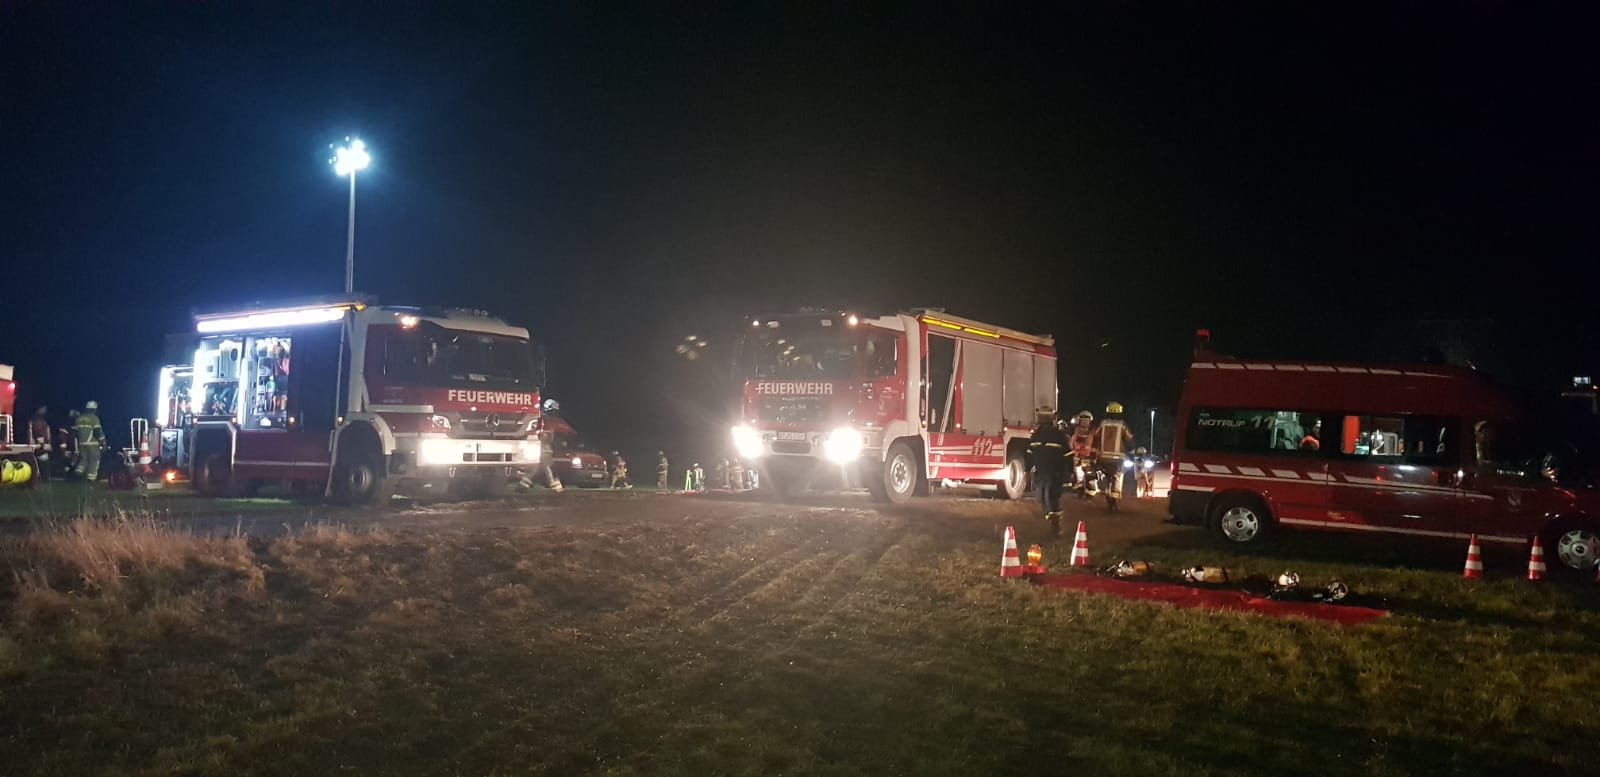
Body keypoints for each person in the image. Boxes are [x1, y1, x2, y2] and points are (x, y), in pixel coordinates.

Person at [1027, 407, 1070, 537]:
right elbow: (1030, 454)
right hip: (1048, 473)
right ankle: (1054, 522)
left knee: (1049, 497)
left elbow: (1068, 455)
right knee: (1046, 498)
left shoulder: (1053, 435)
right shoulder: (1050, 435)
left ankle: (1056, 525)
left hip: (1052, 473)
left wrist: (1068, 473)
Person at [1095, 401, 1135, 510]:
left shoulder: (1103, 424)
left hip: (1104, 458)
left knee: (1108, 477)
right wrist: (1132, 454)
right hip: (1118, 459)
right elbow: (1129, 439)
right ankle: (1114, 499)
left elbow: (1096, 436)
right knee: (1118, 477)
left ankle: (1108, 495)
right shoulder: (1122, 425)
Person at [74, 400, 106, 482]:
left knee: (83, 459)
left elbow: (75, 432)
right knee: (94, 460)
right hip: (92, 443)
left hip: (81, 443)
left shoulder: (79, 419)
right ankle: (91, 477)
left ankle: (78, 471)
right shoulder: (94, 418)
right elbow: (98, 432)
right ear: (94, 409)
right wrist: (103, 443)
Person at [1068, 411, 1096, 498]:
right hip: (1077, 457)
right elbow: (1071, 442)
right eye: (1083, 420)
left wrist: (1094, 452)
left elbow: (1096, 442)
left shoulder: (1093, 432)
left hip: (1088, 457)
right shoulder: (1075, 431)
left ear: (1090, 421)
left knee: (1090, 475)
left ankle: (1090, 492)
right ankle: (1079, 491)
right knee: (1078, 475)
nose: (1085, 422)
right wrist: (1072, 451)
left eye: (1087, 420)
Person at [27, 407, 51, 479]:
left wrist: (46, 445)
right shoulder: (33, 422)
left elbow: (47, 437)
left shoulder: (44, 423)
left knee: (45, 472)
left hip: (41, 450)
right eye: (42, 408)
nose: (44, 410)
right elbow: (31, 438)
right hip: (37, 450)